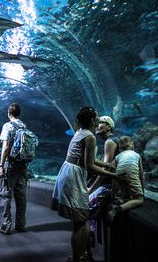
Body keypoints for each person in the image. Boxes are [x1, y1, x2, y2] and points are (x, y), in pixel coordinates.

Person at [51, 107, 122, 262]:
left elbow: (85, 158)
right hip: (74, 175)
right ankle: (78, 258)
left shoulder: (79, 131)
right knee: (79, 222)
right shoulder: (90, 136)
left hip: (68, 171)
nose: (97, 121)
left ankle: (82, 255)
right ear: (91, 120)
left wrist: (107, 165)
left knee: (81, 220)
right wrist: (112, 174)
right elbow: (89, 165)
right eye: (96, 118)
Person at [0, 103, 29, 234]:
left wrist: (1, 165)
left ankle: (6, 226)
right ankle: (20, 225)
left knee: (5, 194)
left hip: (10, 165)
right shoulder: (24, 126)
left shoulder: (8, 126)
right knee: (21, 195)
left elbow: (5, 147)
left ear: (9, 113)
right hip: (23, 165)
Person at [107, 136, 144, 223]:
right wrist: (142, 189)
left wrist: (113, 193)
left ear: (119, 148)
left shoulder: (118, 156)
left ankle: (116, 202)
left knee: (126, 196)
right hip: (130, 173)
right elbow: (141, 174)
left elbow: (112, 169)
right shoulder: (137, 155)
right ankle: (117, 209)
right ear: (132, 145)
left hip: (119, 175)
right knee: (139, 200)